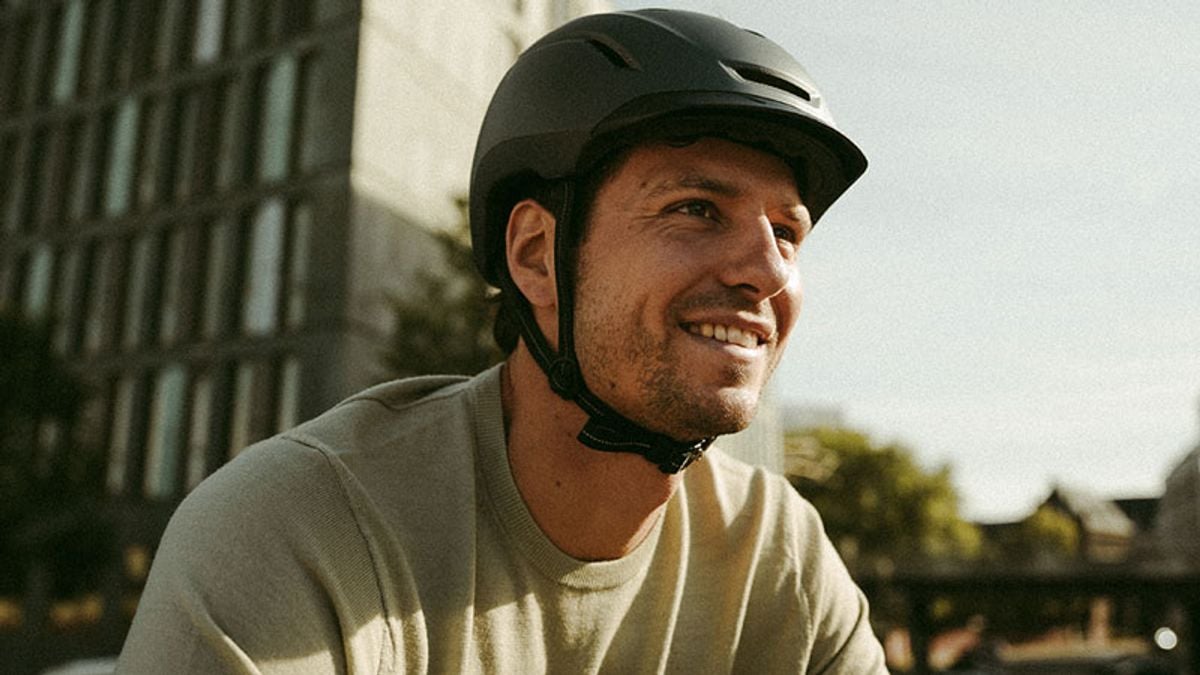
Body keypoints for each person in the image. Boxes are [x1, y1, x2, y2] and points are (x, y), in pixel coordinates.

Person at [118, 9, 886, 673]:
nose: (766, 271)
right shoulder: (297, 533)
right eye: (694, 208)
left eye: (788, 232)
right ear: (533, 256)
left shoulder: (778, 553)